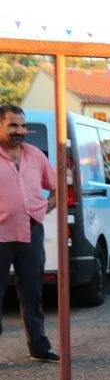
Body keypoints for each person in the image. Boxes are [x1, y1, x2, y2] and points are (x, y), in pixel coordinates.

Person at [0, 104, 58, 363]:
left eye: (23, 126)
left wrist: (44, 208)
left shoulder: (34, 155)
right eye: (13, 125)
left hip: (30, 232)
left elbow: (56, 186)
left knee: (32, 292)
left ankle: (39, 347)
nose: (20, 131)